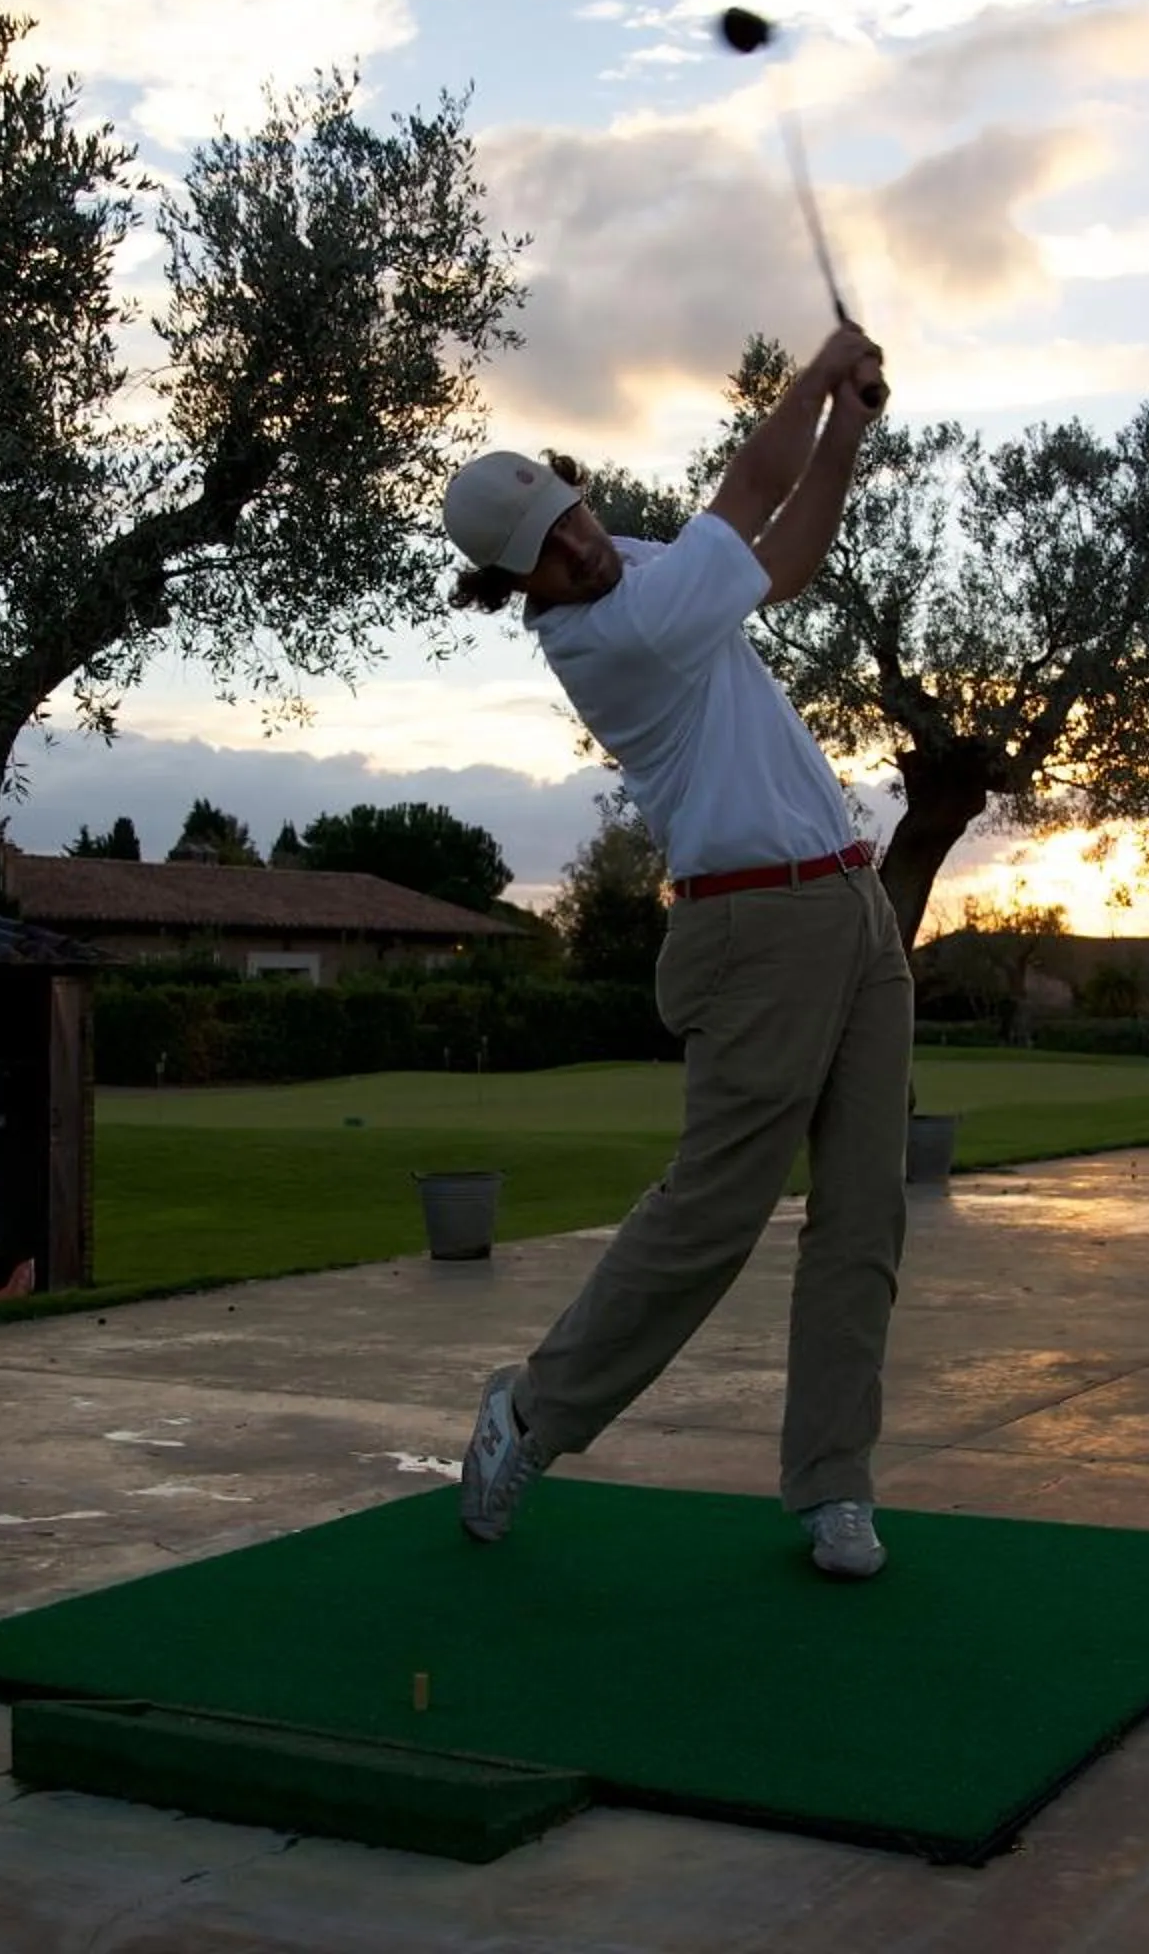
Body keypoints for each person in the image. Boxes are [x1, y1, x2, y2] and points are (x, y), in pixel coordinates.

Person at [441, 322, 908, 1579]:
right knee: (714, 1213)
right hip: (755, 927)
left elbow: (784, 560)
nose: (581, 545)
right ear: (513, 585)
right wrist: (820, 374)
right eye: (548, 552)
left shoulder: (640, 567)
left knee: (864, 1212)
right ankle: (533, 1412)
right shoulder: (617, 634)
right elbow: (751, 489)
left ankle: (834, 1483)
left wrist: (848, 424)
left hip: (853, 903)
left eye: (572, 515)